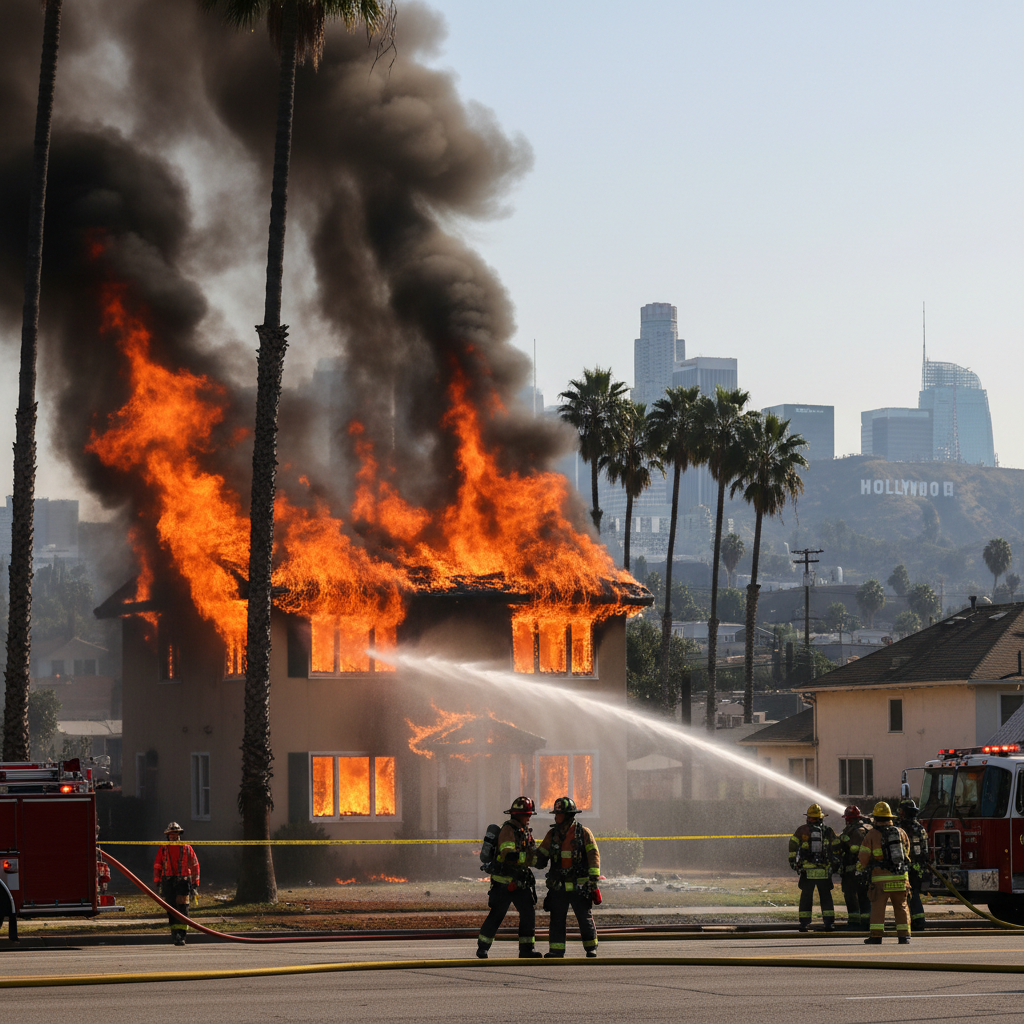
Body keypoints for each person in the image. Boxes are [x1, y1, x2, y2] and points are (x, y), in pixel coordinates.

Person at [476, 797, 543, 959]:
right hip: (503, 883)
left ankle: (526, 949)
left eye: (530, 814)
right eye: (527, 815)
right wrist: (529, 859)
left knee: (528, 913)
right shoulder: (508, 830)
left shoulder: (525, 830)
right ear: (518, 815)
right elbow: (508, 855)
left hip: (519, 882)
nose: (529, 818)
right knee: (497, 914)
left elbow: (532, 852)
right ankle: (483, 947)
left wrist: (540, 859)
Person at [534, 796, 601, 958]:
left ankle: (591, 948)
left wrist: (593, 880)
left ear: (568, 815)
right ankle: (556, 950)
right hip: (559, 887)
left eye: (558, 814)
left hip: (580, 886)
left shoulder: (583, 833)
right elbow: (541, 856)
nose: (556, 817)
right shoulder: (552, 834)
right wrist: (527, 856)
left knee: (584, 918)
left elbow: (593, 855)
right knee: (557, 919)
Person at [857, 801, 912, 945]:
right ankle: (904, 936)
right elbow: (907, 852)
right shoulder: (901, 832)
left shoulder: (871, 835)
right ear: (890, 818)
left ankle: (876, 936)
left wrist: (861, 869)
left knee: (878, 907)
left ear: (875, 818)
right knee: (901, 906)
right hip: (900, 878)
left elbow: (863, 858)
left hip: (880, 879)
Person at [788, 803, 838, 932]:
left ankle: (804, 924)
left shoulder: (802, 830)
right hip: (823, 870)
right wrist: (835, 864)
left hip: (807, 871)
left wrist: (793, 862)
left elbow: (793, 846)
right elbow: (836, 848)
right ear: (821, 818)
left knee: (806, 897)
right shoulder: (828, 831)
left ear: (808, 818)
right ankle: (829, 923)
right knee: (826, 897)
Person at [153, 821, 200, 946]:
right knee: (171, 909)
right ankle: (175, 935)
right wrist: (157, 882)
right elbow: (158, 865)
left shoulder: (186, 848)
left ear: (179, 835)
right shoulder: (163, 849)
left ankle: (182, 935)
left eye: (175, 835)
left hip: (183, 881)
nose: (173, 837)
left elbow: (194, 865)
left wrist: (195, 882)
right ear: (168, 836)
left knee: (183, 908)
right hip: (168, 882)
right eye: (171, 835)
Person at [837, 805, 872, 931]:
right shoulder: (866, 828)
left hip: (852, 870)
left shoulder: (857, 831)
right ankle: (864, 922)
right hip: (863, 870)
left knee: (852, 896)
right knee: (863, 896)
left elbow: (854, 849)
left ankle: (856, 922)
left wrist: (843, 841)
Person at [899, 798, 930, 934]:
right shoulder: (920, 828)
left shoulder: (902, 828)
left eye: (901, 811)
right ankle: (918, 921)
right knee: (914, 894)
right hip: (919, 869)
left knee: (908, 895)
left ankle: (916, 922)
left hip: (907, 868)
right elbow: (925, 851)